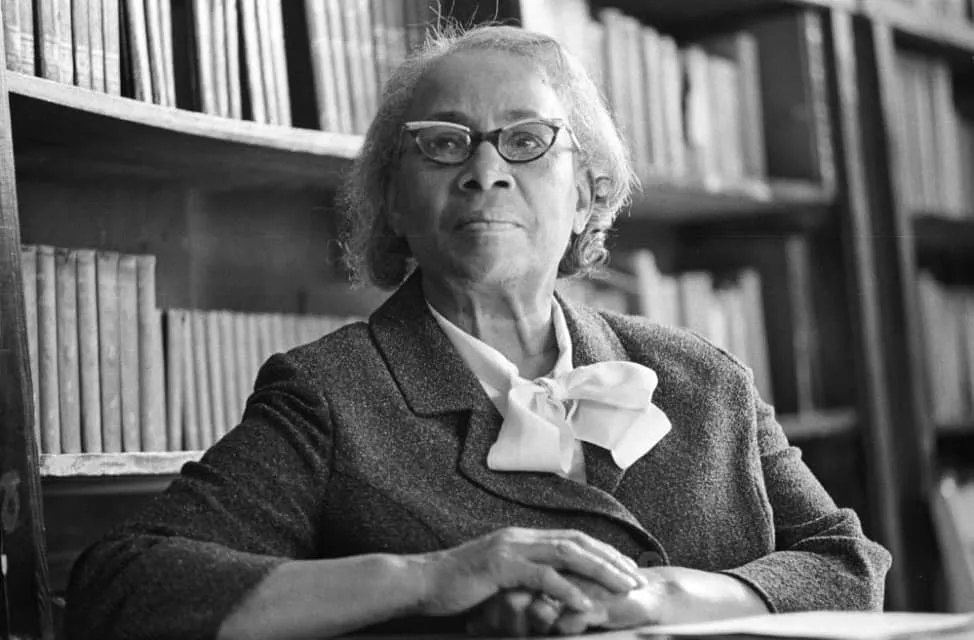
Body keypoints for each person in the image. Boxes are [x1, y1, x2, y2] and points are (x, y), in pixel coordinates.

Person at [65, 23, 892, 640]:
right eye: (444, 143)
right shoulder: (327, 395)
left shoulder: (703, 377)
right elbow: (123, 588)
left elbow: (848, 564)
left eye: (527, 140)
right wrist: (430, 579)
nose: (485, 170)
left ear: (587, 195)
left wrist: (663, 597)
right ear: (394, 199)